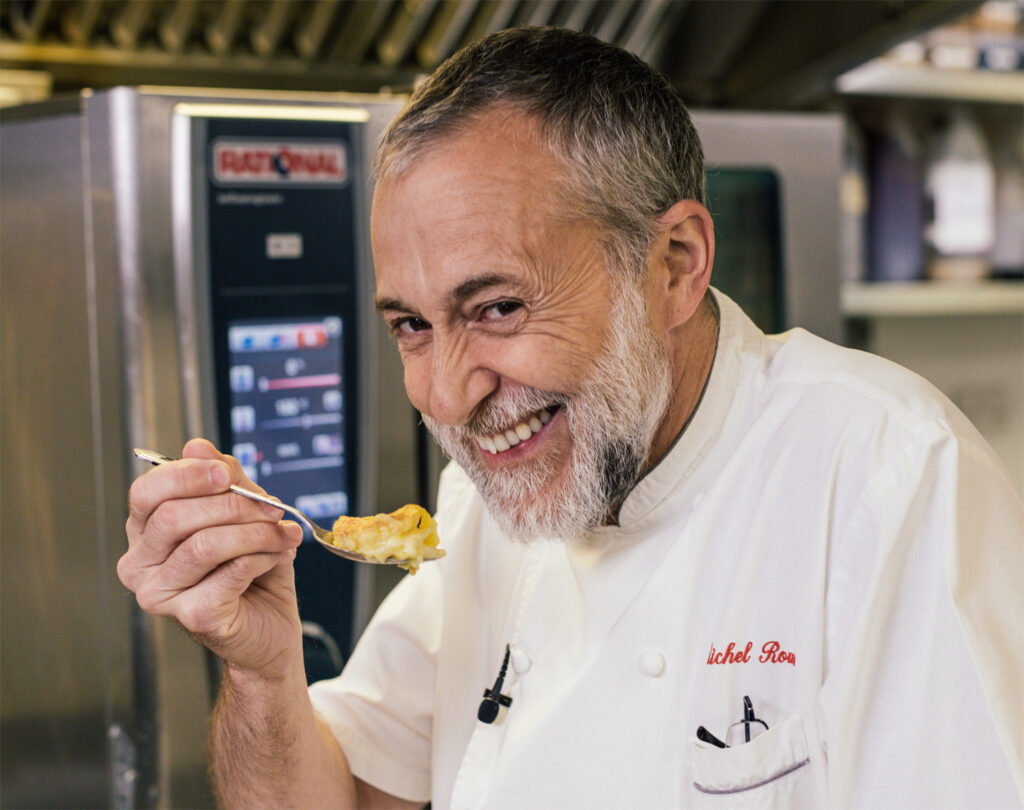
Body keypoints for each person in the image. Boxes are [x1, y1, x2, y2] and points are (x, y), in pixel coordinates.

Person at [118, 27, 1024, 810]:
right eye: (411, 326)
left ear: (673, 264)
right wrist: (263, 669)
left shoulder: (887, 474)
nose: (447, 396)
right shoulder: (489, 497)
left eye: (499, 308)